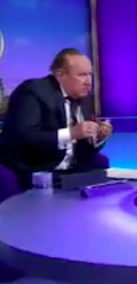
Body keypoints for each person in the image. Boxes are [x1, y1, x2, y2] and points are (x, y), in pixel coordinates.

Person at [0, 48, 112, 190]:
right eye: (82, 75)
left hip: (74, 171)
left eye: (90, 75)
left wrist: (97, 137)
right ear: (60, 75)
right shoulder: (33, 92)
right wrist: (71, 133)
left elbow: (84, 148)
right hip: (39, 170)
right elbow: (22, 137)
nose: (88, 82)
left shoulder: (85, 99)